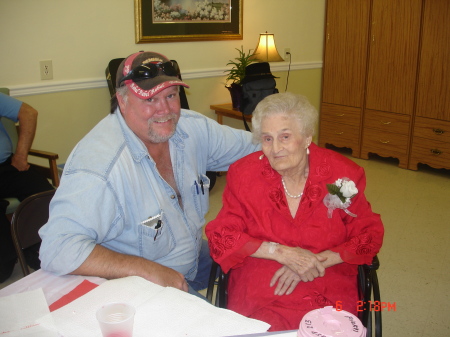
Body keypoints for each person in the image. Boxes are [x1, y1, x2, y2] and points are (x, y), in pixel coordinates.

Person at [39, 51, 259, 296]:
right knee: (221, 330)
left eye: (171, 95)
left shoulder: (190, 128)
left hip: (191, 253)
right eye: (150, 99)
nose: (165, 110)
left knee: (266, 265)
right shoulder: (100, 166)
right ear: (122, 101)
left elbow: (261, 146)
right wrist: (145, 270)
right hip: (138, 283)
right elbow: (57, 249)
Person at [206, 92, 384, 331]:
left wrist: (314, 261)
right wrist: (281, 253)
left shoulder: (340, 176)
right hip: (264, 273)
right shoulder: (244, 174)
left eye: (285, 136)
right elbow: (222, 233)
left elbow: (368, 234)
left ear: (307, 137)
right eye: (267, 139)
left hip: (325, 272)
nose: (275, 148)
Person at [0, 93, 54, 282]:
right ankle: (8, 256)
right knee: (3, 272)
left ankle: (40, 251)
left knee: (43, 192)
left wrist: (21, 156)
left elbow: (29, 113)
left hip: (6, 167)